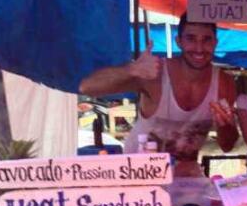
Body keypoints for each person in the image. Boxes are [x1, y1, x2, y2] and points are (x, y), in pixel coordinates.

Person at [79, 14, 238, 175]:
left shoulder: (224, 83)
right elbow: (87, 87)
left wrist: (226, 126)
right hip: (138, 172)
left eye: (206, 40)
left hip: (185, 176)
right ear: (179, 42)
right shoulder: (155, 73)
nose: (199, 48)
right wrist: (132, 69)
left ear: (215, 43)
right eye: (191, 38)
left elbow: (227, 145)